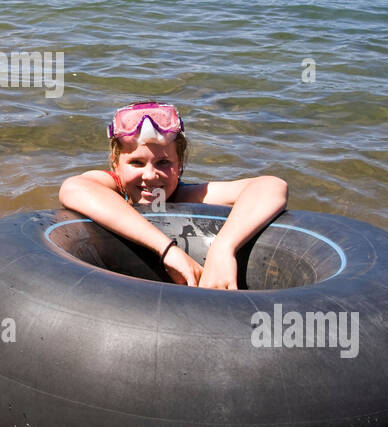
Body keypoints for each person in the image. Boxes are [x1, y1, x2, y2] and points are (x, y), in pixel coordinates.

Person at [57, 101, 287, 290]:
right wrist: (167, 249)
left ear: (181, 165)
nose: (150, 175)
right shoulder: (113, 187)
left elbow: (271, 185)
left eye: (164, 162)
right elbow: (73, 188)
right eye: (136, 163)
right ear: (115, 165)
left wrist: (223, 248)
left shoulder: (185, 195)